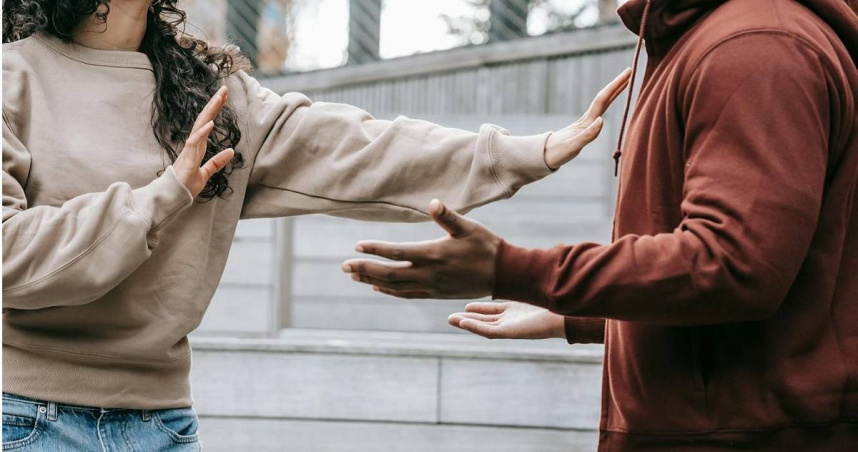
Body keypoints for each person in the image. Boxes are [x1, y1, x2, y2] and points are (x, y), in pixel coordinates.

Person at [0, 0, 632, 450]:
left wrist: (522, 152)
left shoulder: (214, 95)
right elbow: (9, 256)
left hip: (161, 425)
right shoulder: (12, 78)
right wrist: (164, 196)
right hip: (24, 419)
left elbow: (359, 149)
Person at [343, 0, 858, 450]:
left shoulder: (757, 46)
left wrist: (515, 270)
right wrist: (578, 316)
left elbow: (732, 266)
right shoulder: (720, 36)